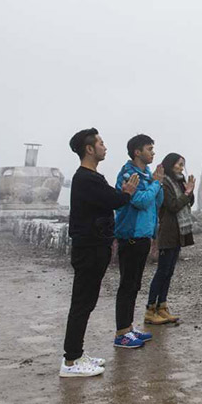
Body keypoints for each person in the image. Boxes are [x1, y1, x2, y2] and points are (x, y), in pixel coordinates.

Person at [61, 128, 140, 378]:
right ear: (89, 149)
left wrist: (122, 194)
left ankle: (77, 354)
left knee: (86, 302)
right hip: (89, 248)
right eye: (101, 143)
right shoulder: (86, 178)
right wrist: (126, 192)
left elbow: (110, 198)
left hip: (95, 247)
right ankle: (71, 361)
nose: (105, 147)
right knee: (82, 303)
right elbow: (113, 200)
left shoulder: (92, 177)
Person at [112, 134, 164, 349]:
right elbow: (141, 201)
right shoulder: (128, 174)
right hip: (130, 236)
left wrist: (156, 185)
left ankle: (128, 328)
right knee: (127, 284)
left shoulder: (146, 174)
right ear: (137, 152)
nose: (152, 152)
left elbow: (156, 203)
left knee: (135, 285)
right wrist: (155, 184)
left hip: (143, 235)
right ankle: (121, 333)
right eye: (149, 148)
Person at [145, 153, 196, 325]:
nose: (181, 168)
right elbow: (173, 205)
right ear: (170, 164)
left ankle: (162, 306)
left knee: (169, 272)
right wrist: (187, 192)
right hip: (168, 231)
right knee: (162, 271)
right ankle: (150, 309)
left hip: (178, 232)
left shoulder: (178, 181)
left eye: (183, 164)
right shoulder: (165, 182)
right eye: (179, 164)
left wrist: (189, 190)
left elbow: (189, 202)